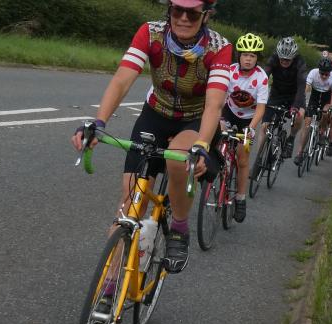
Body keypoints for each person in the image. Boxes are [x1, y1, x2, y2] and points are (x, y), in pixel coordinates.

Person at [71, 0, 232, 274]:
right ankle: (108, 289)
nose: (182, 18)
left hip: (195, 118)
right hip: (156, 113)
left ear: (206, 15)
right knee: (131, 200)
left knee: (179, 160)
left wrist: (203, 145)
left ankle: (179, 229)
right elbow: (122, 79)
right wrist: (99, 122)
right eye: (176, 10)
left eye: (191, 13)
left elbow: (215, 104)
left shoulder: (219, 47)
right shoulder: (151, 32)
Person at [222, 33, 268, 222]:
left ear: (257, 58)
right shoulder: (229, 71)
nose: (248, 59)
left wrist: (251, 128)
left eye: (253, 56)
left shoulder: (262, 77)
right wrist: (219, 118)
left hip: (248, 119)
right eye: (245, 55)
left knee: (242, 159)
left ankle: (240, 198)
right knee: (214, 139)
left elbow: (261, 107)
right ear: (239, 56)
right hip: (229, 112)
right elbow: (221, 95)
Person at [257, 36, 307, 159]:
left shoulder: (300, 63)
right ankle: (258, 158)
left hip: (294, 96)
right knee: (264, 126)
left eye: (288, 60)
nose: (284, 61)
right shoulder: (273, 59)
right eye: (282, 59)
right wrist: (257, 97)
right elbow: (263, 77)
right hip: (276, 94)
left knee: (300, 115)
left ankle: (291, 138)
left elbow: (302, 86)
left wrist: (296, 106)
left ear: (293, 57)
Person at [294, 57, 332, 164]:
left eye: (326, 74)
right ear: (318, 70)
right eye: (322, 73)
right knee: (307, 124)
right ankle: (299, 153)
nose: (324, 76)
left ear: (330, 72)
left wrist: (331, 106)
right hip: (314, 98)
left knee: (325, 112)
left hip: (326, 99)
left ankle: (322, 133)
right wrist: (301, 100)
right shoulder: (313, 73)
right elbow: (307, 87)